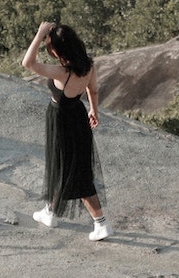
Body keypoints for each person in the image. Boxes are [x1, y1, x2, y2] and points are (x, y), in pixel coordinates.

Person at [21, 21, 111, 241]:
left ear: (59, 50)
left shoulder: (62, 72)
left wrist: (40, 33)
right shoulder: (87, 65)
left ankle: (101, 223)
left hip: (61, 120)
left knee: (73, 171)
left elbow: (28, 63)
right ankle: (50, 211)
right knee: (64, 166)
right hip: (78, 117)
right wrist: (93, 111)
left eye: (50, 47)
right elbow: (93, 90)